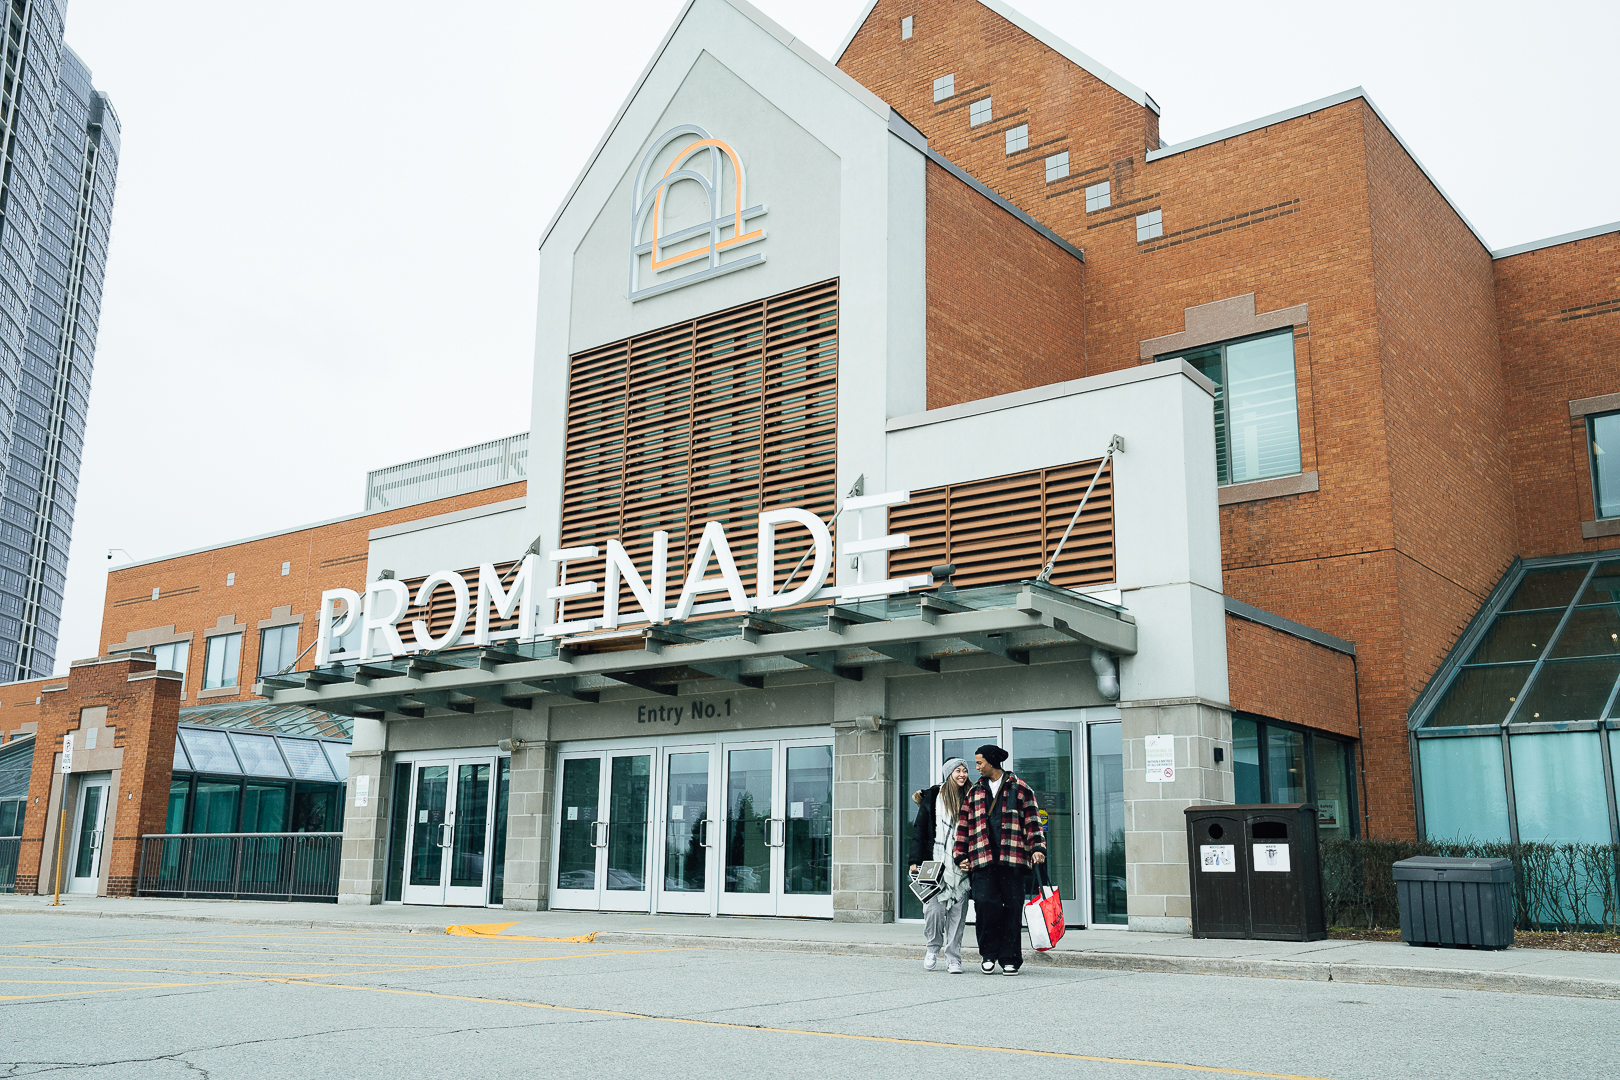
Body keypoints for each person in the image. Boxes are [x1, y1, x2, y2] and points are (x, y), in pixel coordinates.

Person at [953, 743, 1045, 976]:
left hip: (1012, 858)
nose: (977, 768)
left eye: (980, 763)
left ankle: (1010, 958)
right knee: (985, 905)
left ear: (992, 761)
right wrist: (960, 855)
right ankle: (988, 954)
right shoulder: (974, 792)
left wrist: (1037, 848)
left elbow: (1033, 822)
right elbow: (963, 826)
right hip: (981, 859)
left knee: (1012, 908)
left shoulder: (1021, 789)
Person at [909, 758, 972, 973]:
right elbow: (919, 830)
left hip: (960, 864)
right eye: (957, 771)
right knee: (933, 910)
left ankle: (953, 957)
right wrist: (914, 861)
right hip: (933, 862)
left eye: (965, 770)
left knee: (957, 912)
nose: (962, 774)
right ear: (948, 774)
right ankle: (932, 947)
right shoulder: (933, 796)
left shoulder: (972, 795)